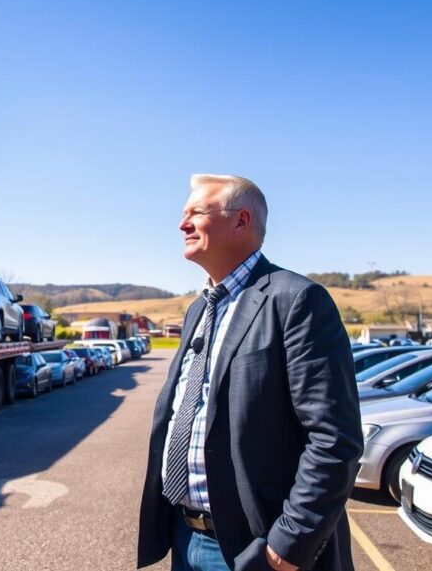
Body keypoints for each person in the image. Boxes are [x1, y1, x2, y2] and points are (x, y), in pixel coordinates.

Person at [137, 174, 363, 571]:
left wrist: (286, 546)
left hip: (256, 547)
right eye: (182, 214)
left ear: (241, 221)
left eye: (195, 213)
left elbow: (334, 439)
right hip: (185, 536)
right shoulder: (199, 309)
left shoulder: (296, 301)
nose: (181, 224)